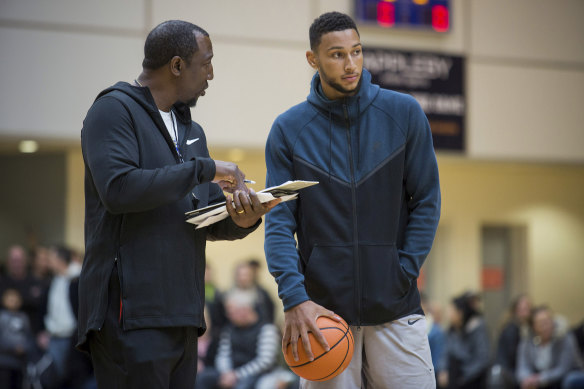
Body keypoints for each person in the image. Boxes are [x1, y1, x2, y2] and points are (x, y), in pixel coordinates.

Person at [78, 20, 279, 389]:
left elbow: (198, 216)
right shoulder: (113, 110)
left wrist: (243, 219)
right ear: (176, 66)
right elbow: (119, 189)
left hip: (184, 314)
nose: (212, 74)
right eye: (206, 63)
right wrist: (203, 168)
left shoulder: (191, 130)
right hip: (131, 316)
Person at [264, 11, 440, 388]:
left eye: (357, 52)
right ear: (313, 59)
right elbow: (279, 223)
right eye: (337, 55)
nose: (350, 64)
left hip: (397, 311)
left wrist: (404, 270)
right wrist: (294, 297)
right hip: (323, 316)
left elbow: (427, 200)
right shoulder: (288, 130)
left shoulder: (403, 113)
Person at [195, 290, 279, 389]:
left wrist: (236, 375)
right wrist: (226, 373)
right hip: (230, 373)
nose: (228, 315)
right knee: (204, 378)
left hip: (257, 375)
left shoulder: (267, 329)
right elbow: (222, 355)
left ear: (245, 310)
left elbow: (265, 362)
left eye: (231, 312)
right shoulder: (229, 329)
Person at [516, 306, 584, 389]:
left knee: (570, 380)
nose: (546, 326)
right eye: (541, 323)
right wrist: (527, 379)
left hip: (568, 375)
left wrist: (540, 379)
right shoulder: (527, 341)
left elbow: (563, 368)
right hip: (540, 379)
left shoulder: (564, 337)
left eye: (548, 321)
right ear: (534, 327)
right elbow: (523, 366)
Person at [437, 293, 491, 389]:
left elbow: (482, 359)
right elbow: (445, 353)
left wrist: (462, 377)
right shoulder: (451, 330)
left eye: (451, 311)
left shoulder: (477, 328)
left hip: (473, 378)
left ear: (460, 313)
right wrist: (443, 370)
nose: (448, 315)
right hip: (456, 375)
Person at [495, 294, 532, 387]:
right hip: (510, 371)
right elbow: (513, 357)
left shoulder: (527, 327)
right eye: (521, 310)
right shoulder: (511, 329)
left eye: (527, 309)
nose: (525, 313)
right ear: (515, 311)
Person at [0, 288, 33, 389]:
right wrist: (13, 348)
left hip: (20, 362)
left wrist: (24, 348)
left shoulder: (23, 317)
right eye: (10, 299)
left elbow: (29, 336)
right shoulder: (2, 317)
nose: (13, 302)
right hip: (4, 361)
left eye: (16, 300)